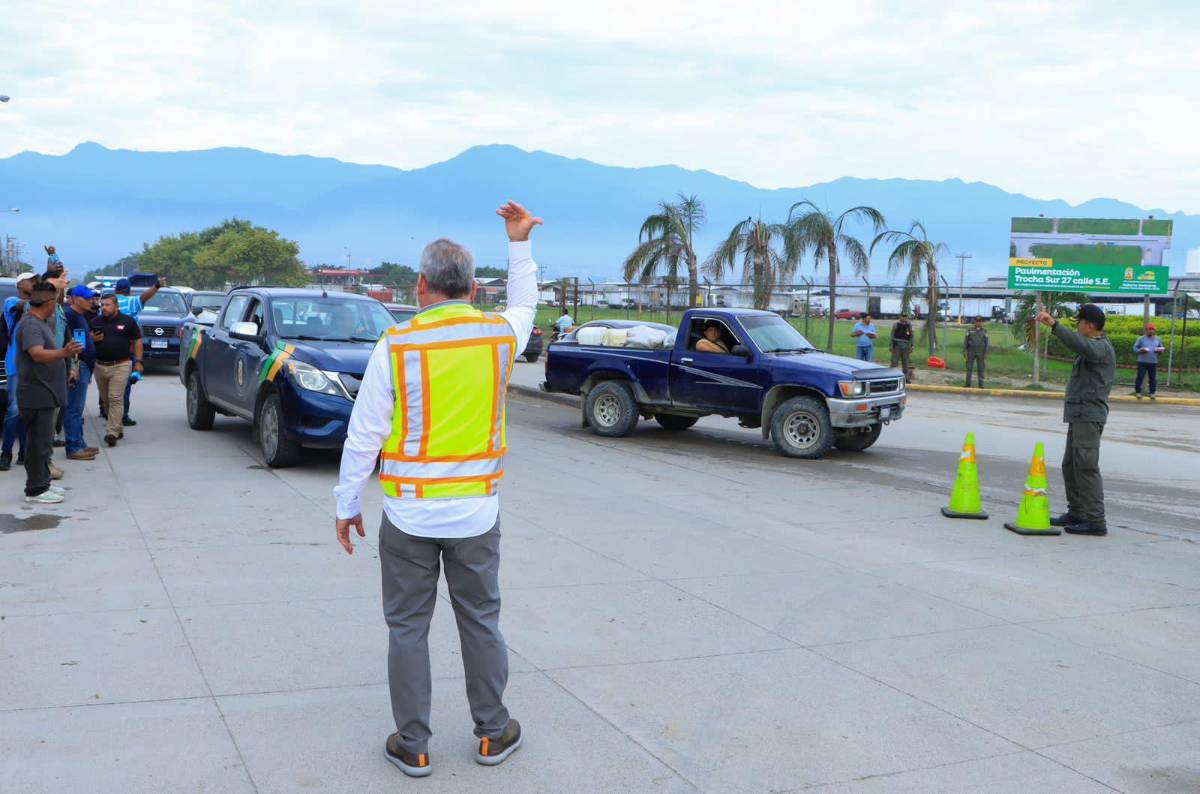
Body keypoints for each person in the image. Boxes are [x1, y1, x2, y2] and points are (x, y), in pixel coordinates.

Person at [334, 201, 540, 778]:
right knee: (480, 619)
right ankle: (494, 733)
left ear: (420, 285)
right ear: (473, 288)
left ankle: (414, 743)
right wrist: (519, 243)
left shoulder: (396, 344)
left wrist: (346, 504)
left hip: (409, 515)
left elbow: (364, 434)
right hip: (477, 512)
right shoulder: (499, 337)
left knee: (407, 627)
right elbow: (525, 305)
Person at [1038, 304, 1115, 536]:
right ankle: (1077, 512)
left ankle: (1095, 520)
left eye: (1079, 322)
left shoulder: (1100, 348)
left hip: (1089, 417)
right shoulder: (1092, 347)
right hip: (1079, 415)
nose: (1077, 326)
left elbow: (1079, 344)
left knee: (1086, 467)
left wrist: (1054, 325)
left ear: (1090, 325)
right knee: (1070, 466)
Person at [16, 279, 82, 504]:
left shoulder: (42, 322)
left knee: (43, 444)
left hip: (47, 394)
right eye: (56, 300)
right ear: (48, 303)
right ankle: (35, 490)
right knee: (38, 445)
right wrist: (64, 352)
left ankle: (43, 484)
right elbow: (37, 354)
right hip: (36, 394)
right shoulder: (31, 325)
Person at [108, 275, 164, 427]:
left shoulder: (107, 304)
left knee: (109, 382)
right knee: (124, 384)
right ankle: (123, 415)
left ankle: (106, 410)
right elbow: (145, 297)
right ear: (128, 290)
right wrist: (157, 286)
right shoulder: (132, 302)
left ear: (116, 290)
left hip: (107, 350)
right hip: (127, 350)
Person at [91, 295, 143, 447]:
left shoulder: (128, 321)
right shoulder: (95, 322)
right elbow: (86, 341)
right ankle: (118, 427)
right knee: (106, 400)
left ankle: (111, 432)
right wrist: (92, 339)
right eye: (102, 305)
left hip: (121, 364)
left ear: (116, 306)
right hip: (100, 366)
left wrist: (138, 362)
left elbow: (137, 341)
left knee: (115, 397)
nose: (104, 308)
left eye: (107, 305)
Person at [0, 272, 35, 471]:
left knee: (24, 411)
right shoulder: (11, 301)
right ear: (20, 284)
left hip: (33, 365)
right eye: (31, 280)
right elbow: (23, 306)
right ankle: (6, 453)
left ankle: (23, 451)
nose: (34, 283)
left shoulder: (37, 305)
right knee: (14, 410)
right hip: (15, 366)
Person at [63, 286, 100, 460]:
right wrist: (75, 365)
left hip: (85, 365)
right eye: (86, 298)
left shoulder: (80, 316)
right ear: (76, 299)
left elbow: (82, 340)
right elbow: (72, 344)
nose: (90, 301)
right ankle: (73, 446)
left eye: (91, 298)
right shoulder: (70, 315)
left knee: (78, 408)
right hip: (79, 365)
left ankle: (80, 443)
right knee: (74, 408)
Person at [1132, 323, 1165, 400]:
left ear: (1155, 331)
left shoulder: (1158, 339)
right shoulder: (1141, 338)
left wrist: (1160, 351)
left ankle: (1152, 393)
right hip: (1142, 361)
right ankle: (1138, 392)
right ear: (1146, 330)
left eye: (1152, 329)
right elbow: (1134, 348)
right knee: (1140, 377)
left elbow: (1161, 348)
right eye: (1149, 329)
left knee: (1153, 378)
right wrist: (1140, 350)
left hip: (1153, 362)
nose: (1151, 331)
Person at [964, 316, 989, 388]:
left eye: (980, 321)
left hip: (981, 352)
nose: (978, 323)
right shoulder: (970, 330)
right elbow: (966, 341)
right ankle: (967, 384)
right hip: (971, 351)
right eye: (977, 321)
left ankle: (981, 385)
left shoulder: (985, 331)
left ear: (982, 322)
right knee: (969, 368)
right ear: (974, 321)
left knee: (981, 369)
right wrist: (964, 350)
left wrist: (986, 353)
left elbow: (987, 343)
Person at [889, 312, 914, 380]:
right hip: (897, 345)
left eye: (905, 316)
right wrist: (891, 345)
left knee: (905, 362)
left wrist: (912, 346)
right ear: (900, 317)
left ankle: (906, 378)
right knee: (894, 361)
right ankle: (891, 377)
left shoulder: (909, 325)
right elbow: (892, 335)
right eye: (902, 316)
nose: (904, 318)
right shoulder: (896, 325)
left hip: (906, 346)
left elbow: (912, 336)